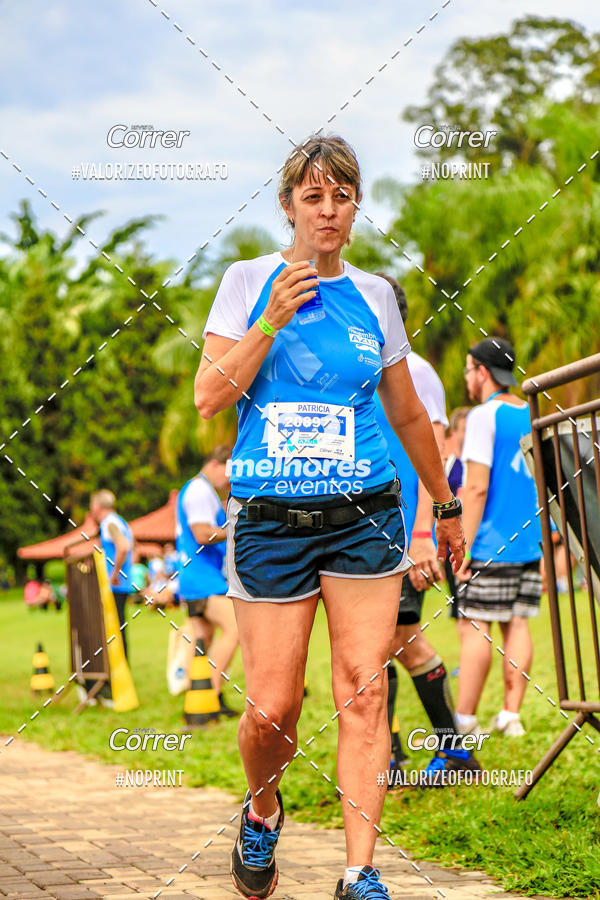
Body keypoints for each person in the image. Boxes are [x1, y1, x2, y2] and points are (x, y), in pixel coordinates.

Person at [195, 134, 465, 900]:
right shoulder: (248, 281)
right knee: (273, 709)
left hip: (364, 513)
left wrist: (442, 504)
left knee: (365, 689)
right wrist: (268, 321)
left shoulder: (376, 295)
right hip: (272, 518)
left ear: (354, 208)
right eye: (312, 196)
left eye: (340, 196)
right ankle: (262, 807)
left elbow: (410, 415)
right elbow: (209, 397)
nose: (327, 209)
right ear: (288, 207)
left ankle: (360, 872)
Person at [374, 276, 478, 784]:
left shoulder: (415, 370)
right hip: (363, 531)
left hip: (401, 533)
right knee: (374, 645)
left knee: (399, 638)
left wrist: (421, 536)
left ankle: (454, 752)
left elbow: (431, 457)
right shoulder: (360, 367)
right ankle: (389, 754)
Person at [455, 338, 542, 738]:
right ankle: (511, 716)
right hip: (529, 539)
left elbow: (475, 488)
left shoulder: (481, 416)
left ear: (483, 372)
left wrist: (464, 547)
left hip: (490, 542)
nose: (467, 378)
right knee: (517, 624)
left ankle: (465, 720)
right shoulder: (530, 412)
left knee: (476, 624)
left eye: (469, 369)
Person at [175, 445, 239, 716]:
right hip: (203, 578)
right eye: (228, 473)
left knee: (204, 637)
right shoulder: (200, 491)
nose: (229, 480)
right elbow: (202, 534)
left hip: (195, 578)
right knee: (235, 629)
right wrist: (237, 527)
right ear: (215, 464)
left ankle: (197, 695)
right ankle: (210, 694)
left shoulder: (200, 490)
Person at [90, 490, 134, 659]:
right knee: (119, 628)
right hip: (122, 584)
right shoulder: (121, 521)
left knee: (113, 630)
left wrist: (114, 573)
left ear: (97, 507)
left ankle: (117, 670)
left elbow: (123, 546)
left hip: (115, 585)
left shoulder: (109, 523)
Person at [444, 407, 470, 620]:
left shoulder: (478, 465)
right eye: (464, 429)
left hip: (473, 542)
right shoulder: (448, 466)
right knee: (458, 606)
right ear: (453, 433)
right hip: (450, 543)